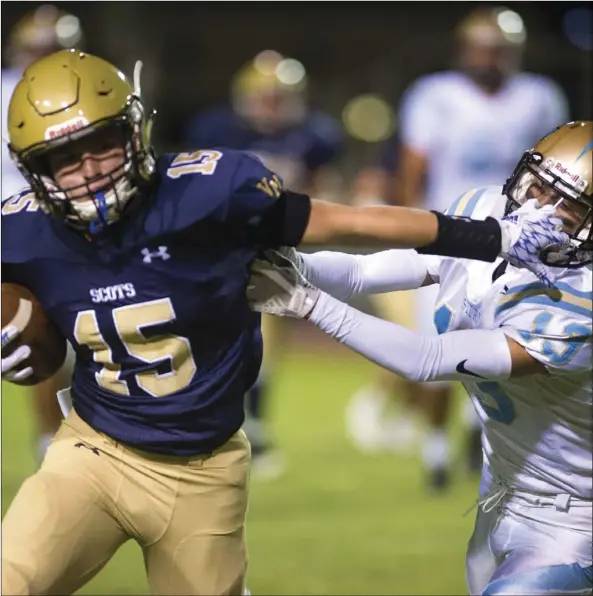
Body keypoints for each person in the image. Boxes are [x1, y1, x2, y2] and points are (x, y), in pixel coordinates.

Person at [0, 49, 565, 596]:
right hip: (92, 453)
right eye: (64, 158)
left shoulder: (209, 193)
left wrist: (493, 237)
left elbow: (352, 223)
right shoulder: (21, 231)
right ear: (32, 169)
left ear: (132, 132)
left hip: (204, 473)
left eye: (100, 145)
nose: (89, 170)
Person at [248, 120, 592, 596]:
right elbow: (362, 271)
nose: (540, 211)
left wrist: (305, 302)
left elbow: (428, 360)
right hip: (501, 489)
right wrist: (290, 266)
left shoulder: (582, 302)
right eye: (537, 188)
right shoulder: (482, 208)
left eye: (569, 209)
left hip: (575, 516)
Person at [347, 5, 571, 490]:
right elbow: (413, 169)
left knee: (508, 345)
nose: (490, 57)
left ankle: (480, 437)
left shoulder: (539, 96)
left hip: (517, 240)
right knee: (440, 342)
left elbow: (559, 173)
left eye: (499, 49)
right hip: (448, 235)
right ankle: (435, 450)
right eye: (483, 48)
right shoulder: (435, 96)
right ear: (465, 49)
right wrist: (409, 230)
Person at [185, 50, 343, 476]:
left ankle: (251, 428)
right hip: (218, 252)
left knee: (265, 348)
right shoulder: (217, 130)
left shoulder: (312, 138)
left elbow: (319, 191)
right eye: (266, 96)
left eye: (280, 96)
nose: (273, 105)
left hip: (271, 253)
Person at [2, 4, 85, 462]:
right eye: (36, 48)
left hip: (54, 228)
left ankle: (48, 438)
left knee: (45, 335)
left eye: (50, 48)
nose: (42, 55)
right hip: (10, 227)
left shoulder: (79, 91)